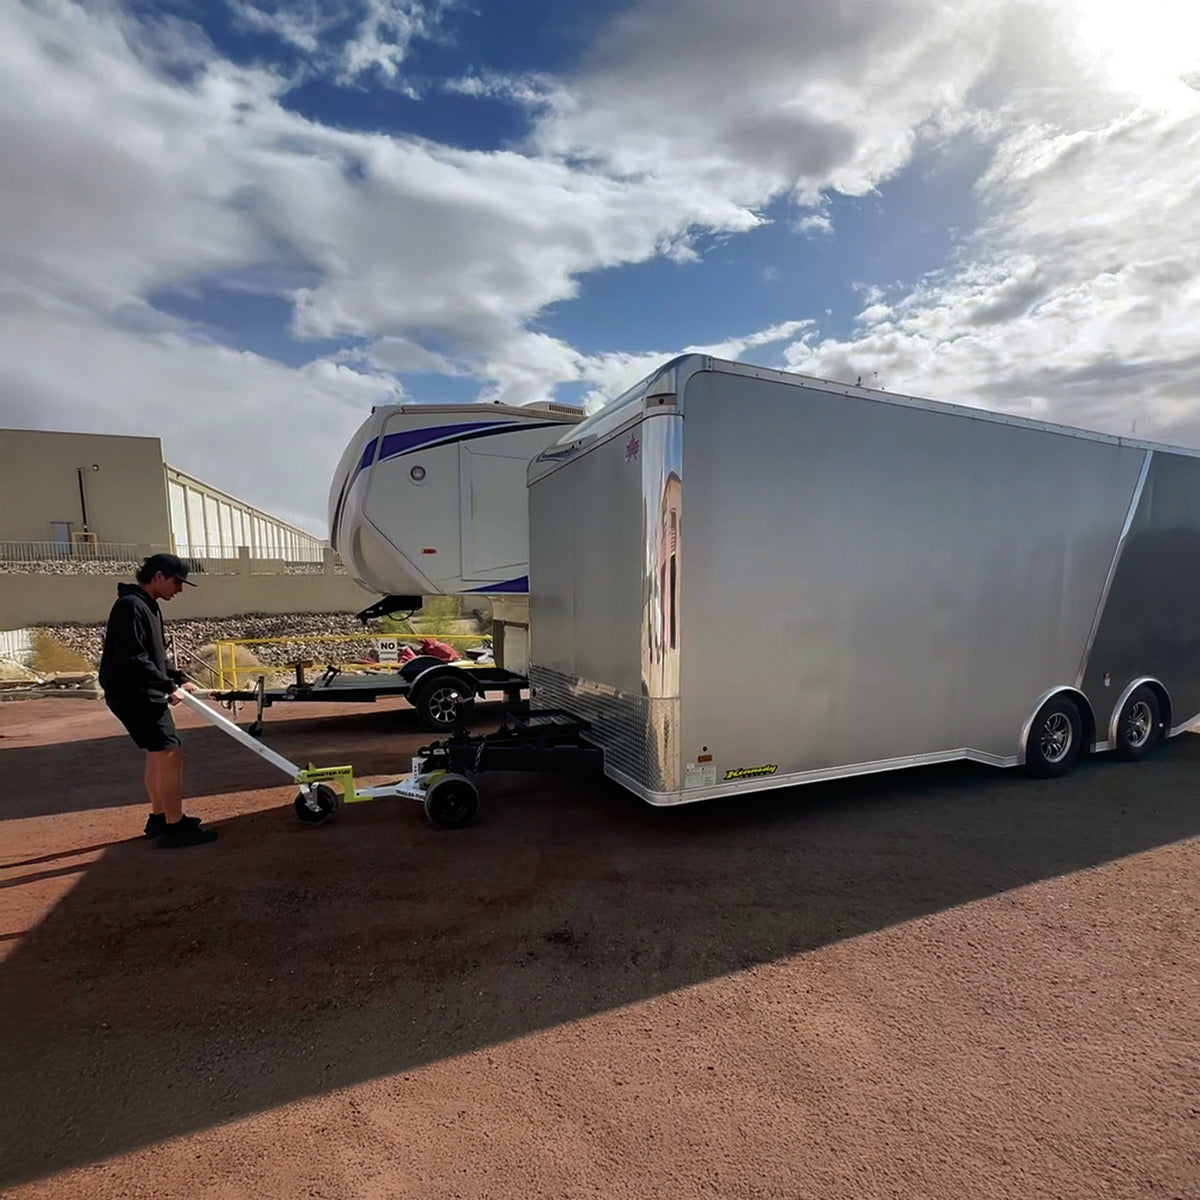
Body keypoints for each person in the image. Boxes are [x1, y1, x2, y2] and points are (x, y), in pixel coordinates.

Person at [99, 553, 217, 848]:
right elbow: (134, 658)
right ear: (159, 576)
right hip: (135, 694)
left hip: (138, 692)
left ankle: (161, 817)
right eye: (177, 582)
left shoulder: (146, 605)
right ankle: (174, 827)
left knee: (157, 753)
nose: (179, 589)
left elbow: (156, 656)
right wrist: (168, 686)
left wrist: (178, 677)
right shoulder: (130, 606)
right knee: (169, 752)